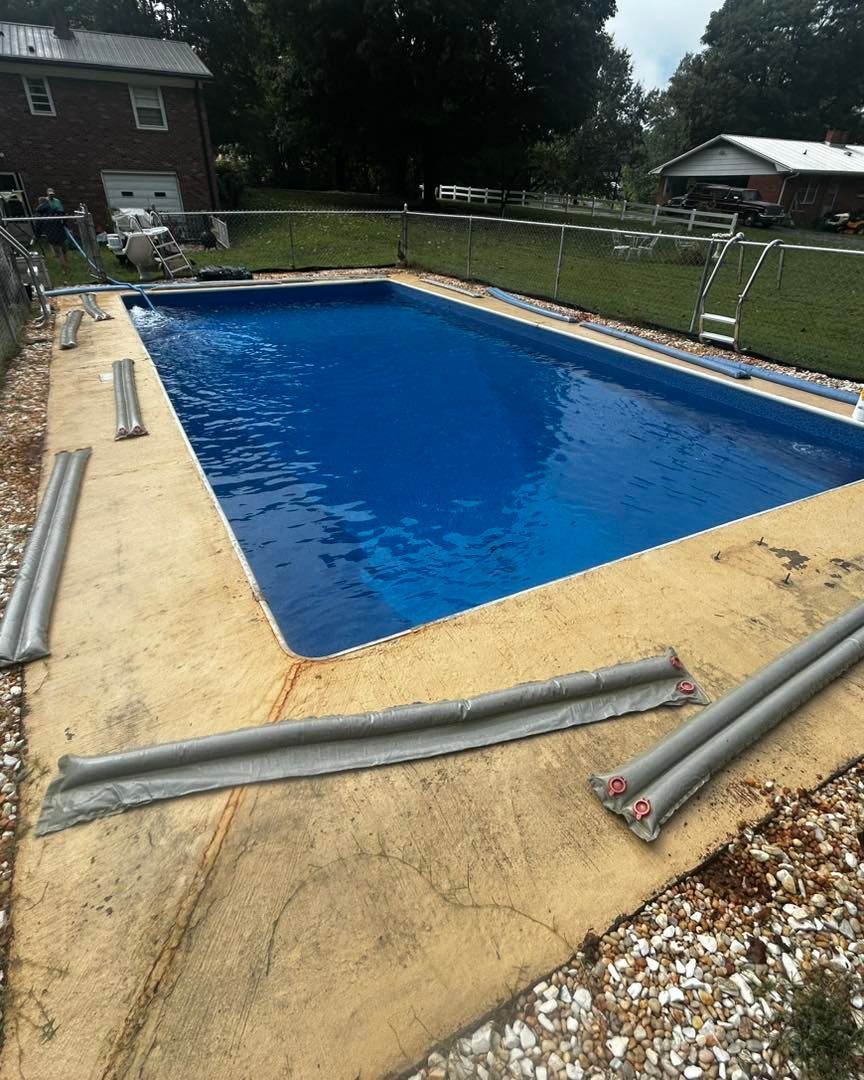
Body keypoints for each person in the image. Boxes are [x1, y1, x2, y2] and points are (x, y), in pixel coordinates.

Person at [34, 195, 69, 273]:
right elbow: (64, 215)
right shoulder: (54, 210)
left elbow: (38, 226)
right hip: (60, 232)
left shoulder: (39, 213)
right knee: (64, 251)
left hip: (51, 235)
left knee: (58, 254)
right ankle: (67, 264)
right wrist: (63, 224)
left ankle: (65, 270)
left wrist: (37, 235)